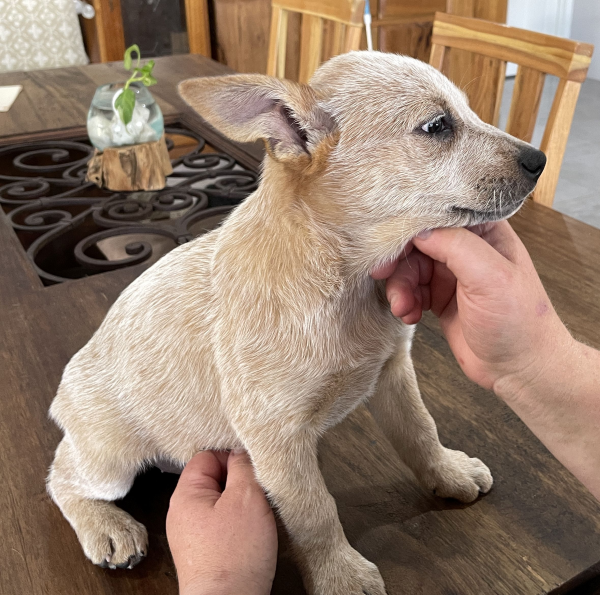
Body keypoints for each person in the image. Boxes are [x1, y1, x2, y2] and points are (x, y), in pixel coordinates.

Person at [167, 220, 600, 595]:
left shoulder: (385, 265)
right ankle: (92, 501)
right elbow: (272, 427)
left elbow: (392, 365)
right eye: (434, 128)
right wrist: (322, 553)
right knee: (105, 477)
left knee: (391, 353)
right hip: (160, 430)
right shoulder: (267, 294)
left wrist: (534, 361)